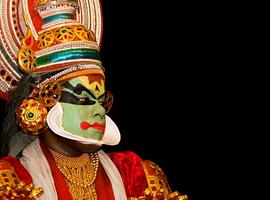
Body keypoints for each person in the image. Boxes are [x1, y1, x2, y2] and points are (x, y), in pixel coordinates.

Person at [0, 0, 188, 199]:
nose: (99, 111)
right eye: (83, 100)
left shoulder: (135, 175)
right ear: (42, 103)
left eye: (101, 100)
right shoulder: (13, 181)